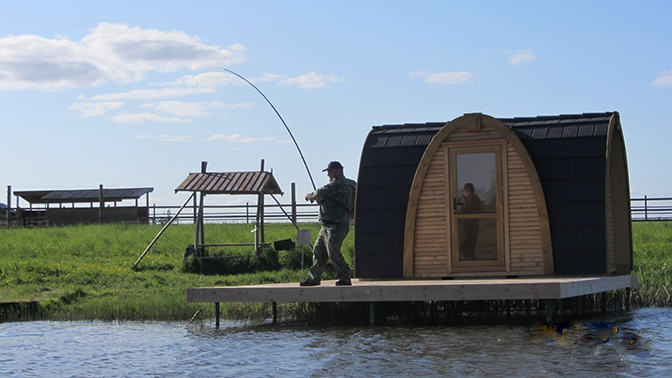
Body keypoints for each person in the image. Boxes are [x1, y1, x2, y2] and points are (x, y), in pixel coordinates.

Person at [300, 161, 353, 286]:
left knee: (333, 251)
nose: (328, 174)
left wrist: (310, 196)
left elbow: (322, 192)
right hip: (327, 225)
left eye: (330, 171)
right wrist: (321, 200)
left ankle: (345, 276)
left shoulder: (339, 183)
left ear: (338, 171)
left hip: (337, 224)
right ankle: (313, 278)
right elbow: (327, 196)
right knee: (319, 251)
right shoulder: (336, 186)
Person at [458, 182, 482, 260]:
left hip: (465, 227)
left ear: (466, 191)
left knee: (460, 247)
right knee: (471, 250)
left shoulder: (466, 200)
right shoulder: (477, 200)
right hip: (474, 227)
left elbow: (460, 211)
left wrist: (462, 200)